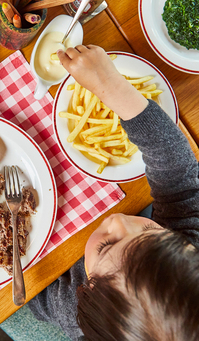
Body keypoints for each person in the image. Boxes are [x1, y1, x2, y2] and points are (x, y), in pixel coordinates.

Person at [28, 45, 199, 341]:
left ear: (86, 293)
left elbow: (36, 299)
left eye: (107, 246)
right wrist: (110, 85)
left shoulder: (74, 310)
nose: (119, 221)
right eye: (149, 230)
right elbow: (177, 171)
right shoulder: (189, 255)